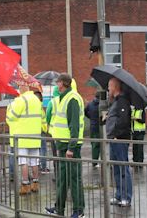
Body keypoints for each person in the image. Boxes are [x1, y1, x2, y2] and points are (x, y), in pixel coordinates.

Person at [45, 74, 85, 218]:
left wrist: (71, 147)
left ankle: (79, 210)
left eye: (58, 82)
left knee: (74, 178)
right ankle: (59, 208)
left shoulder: (72, 99)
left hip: (69, 146)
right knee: (63, 178)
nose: (56, 84)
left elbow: (74, 126)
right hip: (62, 144)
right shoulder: (63, 98)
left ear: (63, 83)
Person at [6, 85, 43, 195]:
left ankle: (25, 184)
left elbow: (12, 117)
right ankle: (35, 184)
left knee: (23, 162)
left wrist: (10, 108)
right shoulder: (36, 100)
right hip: (35, 136)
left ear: (21, 90)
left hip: (22, 137)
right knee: (34, 162)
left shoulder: (21, 100)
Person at [106, 77, 132, 207]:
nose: (108, 89)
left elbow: (123, 120)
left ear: (115, 87)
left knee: (123, 168)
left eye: (109, 86)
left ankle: (126, 197)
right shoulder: (115, 101)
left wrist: (117, 134)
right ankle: (118, 195)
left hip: (119, 139)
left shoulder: (122, 101)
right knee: (116, 168)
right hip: (114, 139)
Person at [84, 92, 101, 168]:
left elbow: (85, 111)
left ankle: (94, 162)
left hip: (93, 126)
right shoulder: (102, 105)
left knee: (94, 145)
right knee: (102, 145)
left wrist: (90, 117)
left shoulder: (90, 104)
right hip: (100, 127)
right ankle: (101, 161)